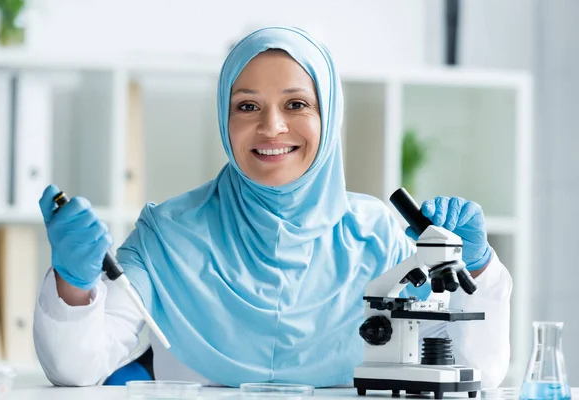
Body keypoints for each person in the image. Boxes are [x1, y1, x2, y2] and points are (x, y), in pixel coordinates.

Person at [32, 26, 512, 389]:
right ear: (224, 119)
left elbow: (481, 372)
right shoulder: (167, 234)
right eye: (247, 106)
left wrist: (478, 269)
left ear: (329, 116)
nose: (272, 127)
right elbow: (77, 370)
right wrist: (73, 284)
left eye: (297, 104)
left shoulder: (382, 238)